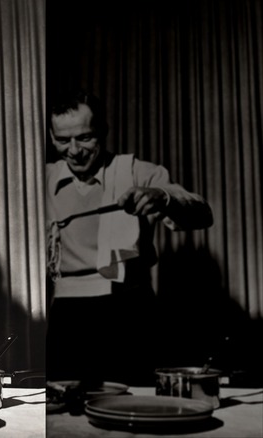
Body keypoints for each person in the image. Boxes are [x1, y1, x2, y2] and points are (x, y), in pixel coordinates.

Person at [45, 89, 213, 386]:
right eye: (62, 140)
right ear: (50, 136)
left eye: (85, 138)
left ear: (103, 131)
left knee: (133, 397)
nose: (74, 150)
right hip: (67, 314)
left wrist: (163, 197)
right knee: (64, 400)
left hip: (129, 308)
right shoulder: (41, 178)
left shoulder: (139, 172)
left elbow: (202, 213)